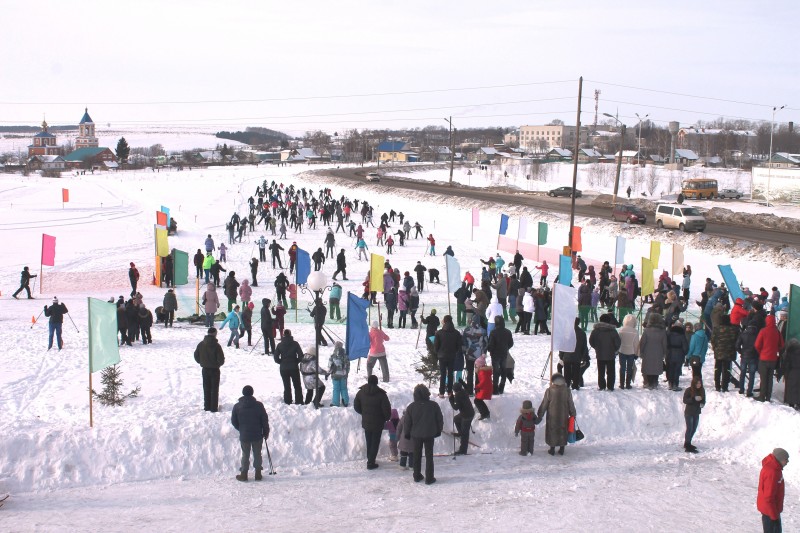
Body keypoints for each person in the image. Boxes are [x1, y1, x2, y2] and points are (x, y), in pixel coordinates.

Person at [404, 383, 444, 484]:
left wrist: (407, 433)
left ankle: (417, 476)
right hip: (430, 434)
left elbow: (407, 422)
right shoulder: (434, 405)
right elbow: (439, 419)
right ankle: (429, 478)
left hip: (416, 435)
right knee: (429, 456)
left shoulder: (411, 407)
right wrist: (439, 430)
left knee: (417, 455)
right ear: (427, 393)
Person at [231, 385, 270, 482]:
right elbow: (264, 420)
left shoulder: (237, 406)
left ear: (243, 393)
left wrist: (241, 428)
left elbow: (233, 421)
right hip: (257, 434)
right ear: (252, 393)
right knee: (257, 454)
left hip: (244, 435)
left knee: (245, 454)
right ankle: (258, 474)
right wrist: (266, 432)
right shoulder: (259, 405)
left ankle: (244, 474)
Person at [353, 375, 392, 470]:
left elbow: (356, 406)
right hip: (378, 423)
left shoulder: (361, 392)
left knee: (369, 440)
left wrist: (363, 413)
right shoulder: (381, 394)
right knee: (375, 442)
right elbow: (387, 410)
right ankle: (371, 462)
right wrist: (385, 418)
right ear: (376, 382)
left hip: (366, 421)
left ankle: (370, 458)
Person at [537, 373, 576, 456]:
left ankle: (552, 449)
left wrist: (540, 414)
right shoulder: (567, 390)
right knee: (562, 430)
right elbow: (570, 403)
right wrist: (573, 414)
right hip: (563, 416)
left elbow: (544, 404)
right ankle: (562, 449)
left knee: (553, 431)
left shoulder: (549, 390)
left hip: (552, 416)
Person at [758, 448, 789, 533]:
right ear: (780, 459)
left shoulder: (775, 468)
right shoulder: (772, 472)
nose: (787, 462)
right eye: (786, 459)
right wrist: (774, 517)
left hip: (771, 511)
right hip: (770, 512)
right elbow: (768, 497)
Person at [194, 327, 225, 412]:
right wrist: (217, 364)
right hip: (215, 370)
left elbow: (196, 355)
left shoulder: (201, 344)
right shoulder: (217, 346)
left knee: (206, 388)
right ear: (215, 334)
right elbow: (221, 360)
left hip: (205, 369)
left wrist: (201, 362)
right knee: (214, 389)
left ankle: (206, 406)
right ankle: (214, 408)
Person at [755, 315, 784, 402]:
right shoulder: (777, 332)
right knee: (770, 378)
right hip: (773, 359)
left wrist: (761, 352)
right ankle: (768, 396)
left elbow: (757, 345)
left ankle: (762, 396)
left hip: (763, 358)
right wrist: (776, 350)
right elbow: (782, 345)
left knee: (763, 378)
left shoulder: (763, 331)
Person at [589, 313, 621, 391]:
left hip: (600, 353)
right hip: (610, 354)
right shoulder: (613, 331)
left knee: (601, 371)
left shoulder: (596, 331)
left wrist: (596, 347)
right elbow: (618, 342)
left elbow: (591, 341)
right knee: (611, 371)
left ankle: (601, 385)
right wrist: (615, 350)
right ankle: (610, 386)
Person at [273, 328, 304, 405]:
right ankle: (299, 401)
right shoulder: (295, 344)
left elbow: (276, 357)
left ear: (283, 335)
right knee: (297, 385)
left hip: (283, 368)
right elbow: (301, 356)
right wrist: (296, 361)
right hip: (294, 367)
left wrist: (281, 362)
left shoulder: (280, 345)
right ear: (290, 334)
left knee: (286, 385)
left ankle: (287, 401)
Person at [433, 315, 462, 398]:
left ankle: (441, 392)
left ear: (444, 321)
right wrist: (454, 352)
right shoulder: (456, 333)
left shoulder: (439, 333)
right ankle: (450, 392)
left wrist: (438, 353)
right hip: (452, 356)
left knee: (443, 374)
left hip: (442, 356)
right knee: (450, 374)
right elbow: (459, 345)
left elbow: (436, 346)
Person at [639, 313, 667, 389]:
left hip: (647, 352)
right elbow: (664, 343)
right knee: (656, 367)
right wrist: (664, 352)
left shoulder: (646, 331)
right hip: (659, 352)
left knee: (648, 367)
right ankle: (655, 382)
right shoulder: (663, 331)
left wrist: (641, 351)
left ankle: (649, 382)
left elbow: (643, 342)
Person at [487, 316, 513, 394]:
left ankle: (495, 389)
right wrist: (506, 348)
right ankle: (501, 387)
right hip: (504, 353)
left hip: (495, 354)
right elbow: (511, 343)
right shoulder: (508, 332)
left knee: (496, 371)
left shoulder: (493, 332)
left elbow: (491, 345)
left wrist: (489, 349)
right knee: (503, 370)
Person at [448, 381, 475, 455]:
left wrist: (451, 399)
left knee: (465, 434)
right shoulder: (463, 391)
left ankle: (463, 450)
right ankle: (460, 433)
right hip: (467, 413)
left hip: (467, 416)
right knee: (456, 419)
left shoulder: (458, 395)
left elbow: (456, 407)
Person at [682, 377, 705, 453]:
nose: (699, 385)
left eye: (700, 383)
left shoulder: (702, 390)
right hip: (689, 412)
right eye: (697, 383)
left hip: (697, 412)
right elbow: (685, 400)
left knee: (694, 428)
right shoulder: (689, 390)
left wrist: (702, 403)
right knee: (689, 428)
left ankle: (688, 442)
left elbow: (704, 399)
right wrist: (693, 399)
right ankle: (687, 444)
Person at [617, 314, 640, 389]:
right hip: (631, 352)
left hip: (622, 350)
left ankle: (621, 384)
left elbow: (618, 341)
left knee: (622, 367)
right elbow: (636, 344)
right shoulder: (635, 332)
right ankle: (628, 384)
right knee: (629, 368)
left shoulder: (621, 330)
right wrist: (637, 354)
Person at [666, 319, 689, 391]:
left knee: (670, 369)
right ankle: (675, 384)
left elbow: (666, 344)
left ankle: (670, 383)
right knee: (677, 370)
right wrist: (684, 353)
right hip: (679, 355)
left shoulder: (669, 335)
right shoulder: (682, 336)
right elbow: (685, 347)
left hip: (670, 354)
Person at [328, 341, 350, 407]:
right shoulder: (345, 356)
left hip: (335, 375)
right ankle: (345, 401)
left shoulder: (332, 356)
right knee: (344, 388)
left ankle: (335, 403)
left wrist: (330, 372)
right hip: (343, 375)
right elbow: (348, 365)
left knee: (336, 389)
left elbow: (329, 365)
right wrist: (346, 373)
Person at [473, 353, 493, 420]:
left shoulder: (482, 372)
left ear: (480, 365)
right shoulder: (483, 370)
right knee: (478, 400)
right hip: (486, 388)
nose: (475, 366)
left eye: (476, 365)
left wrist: (477, 386)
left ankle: (484, 414)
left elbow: (483, 381)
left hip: (485, 389)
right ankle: (486, 413)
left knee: (477, 401)